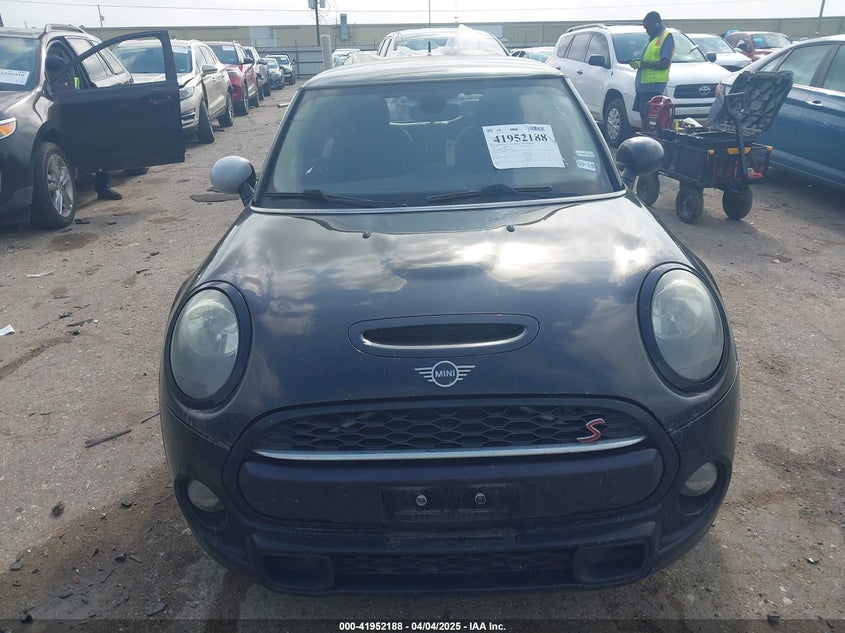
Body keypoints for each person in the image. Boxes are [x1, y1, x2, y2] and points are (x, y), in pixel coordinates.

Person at [630, 11, 674, 130]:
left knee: (652, 120)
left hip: (654, 87)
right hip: (644, 86)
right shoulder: (653, 38)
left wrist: (644, 64)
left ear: (656, 24)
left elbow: (665, 63)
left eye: (647, 27)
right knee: (644, 116)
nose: (646, 31)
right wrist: (639, 63)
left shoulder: (666, 37)